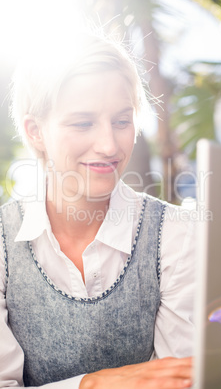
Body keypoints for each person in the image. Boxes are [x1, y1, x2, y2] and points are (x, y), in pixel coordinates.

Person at [0, 31, 195, 388]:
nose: (109, 145)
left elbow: (180, 380)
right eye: (83, 123)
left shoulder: (178, 234)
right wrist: (94, 383)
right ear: (35, 132)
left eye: (122, 121)